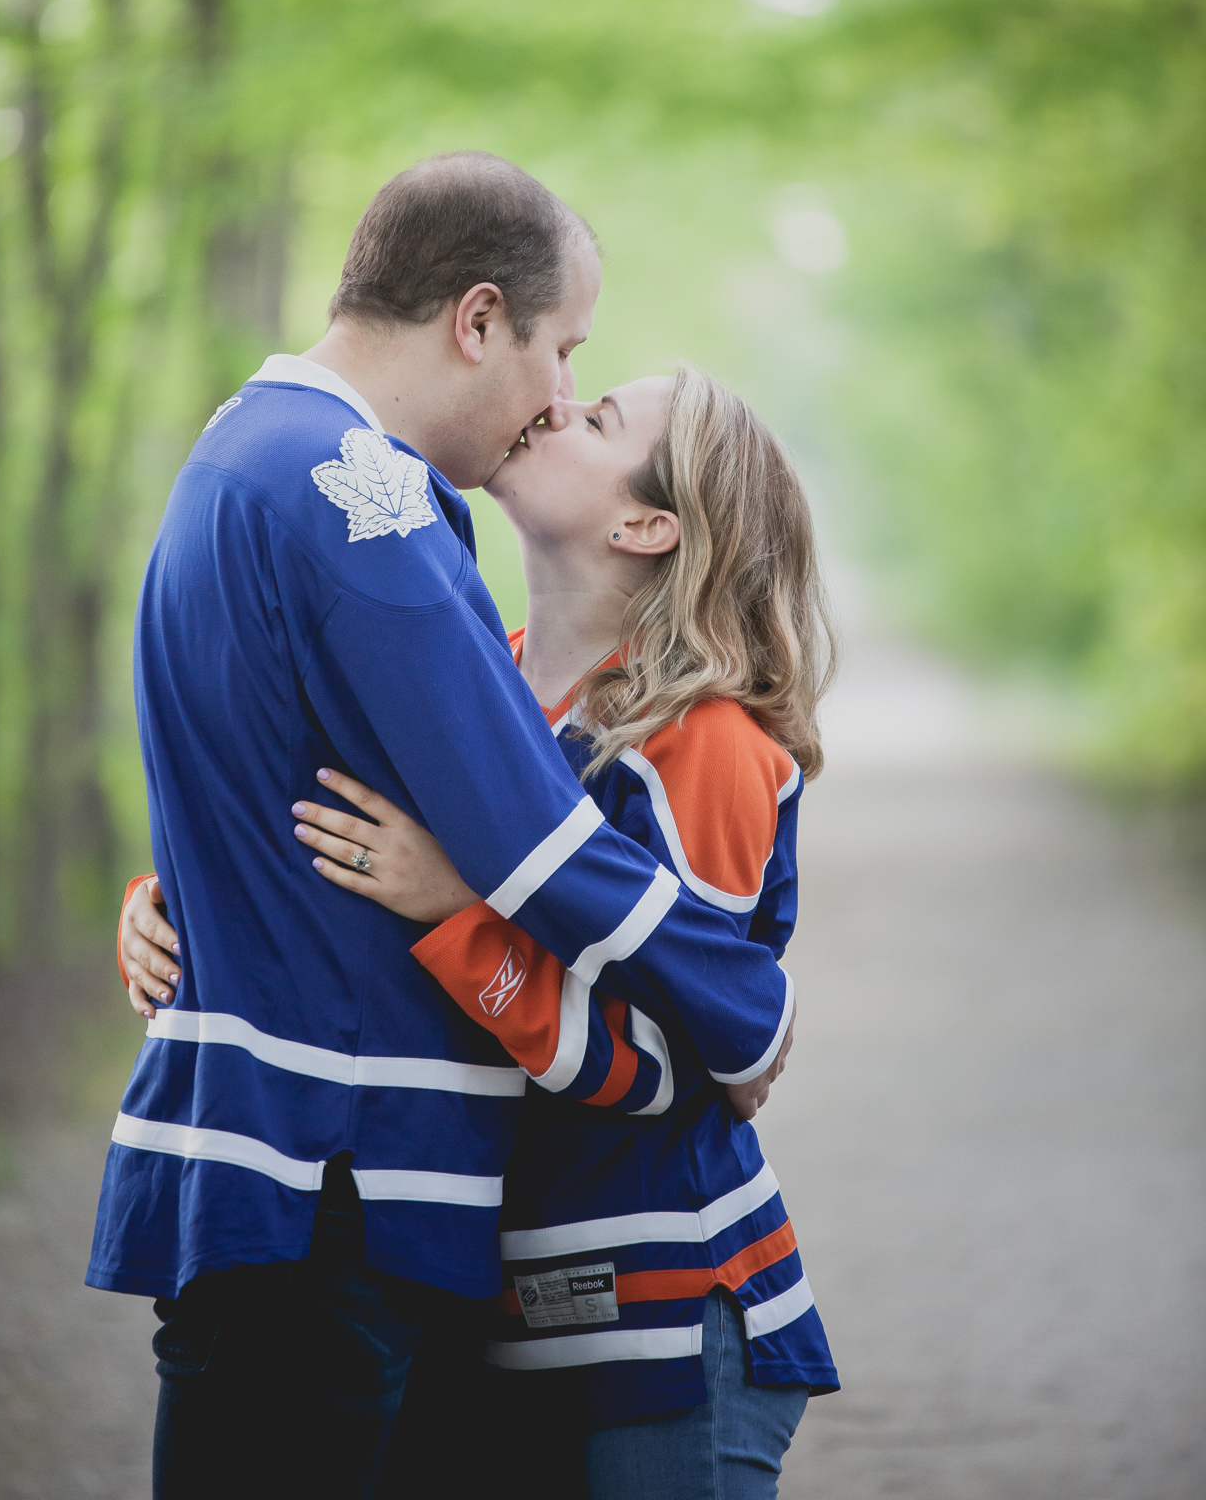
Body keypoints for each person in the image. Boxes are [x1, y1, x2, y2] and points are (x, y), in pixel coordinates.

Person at [91, 152, 800, 1499]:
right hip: (326, 1183)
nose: (553, 398)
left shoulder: (253, 449)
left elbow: (320, 777)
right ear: (477, 321)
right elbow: (527, 837)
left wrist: (191, 887)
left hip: (400, 1221)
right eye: (561, 352)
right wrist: (738, 1004)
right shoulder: (361, 488)